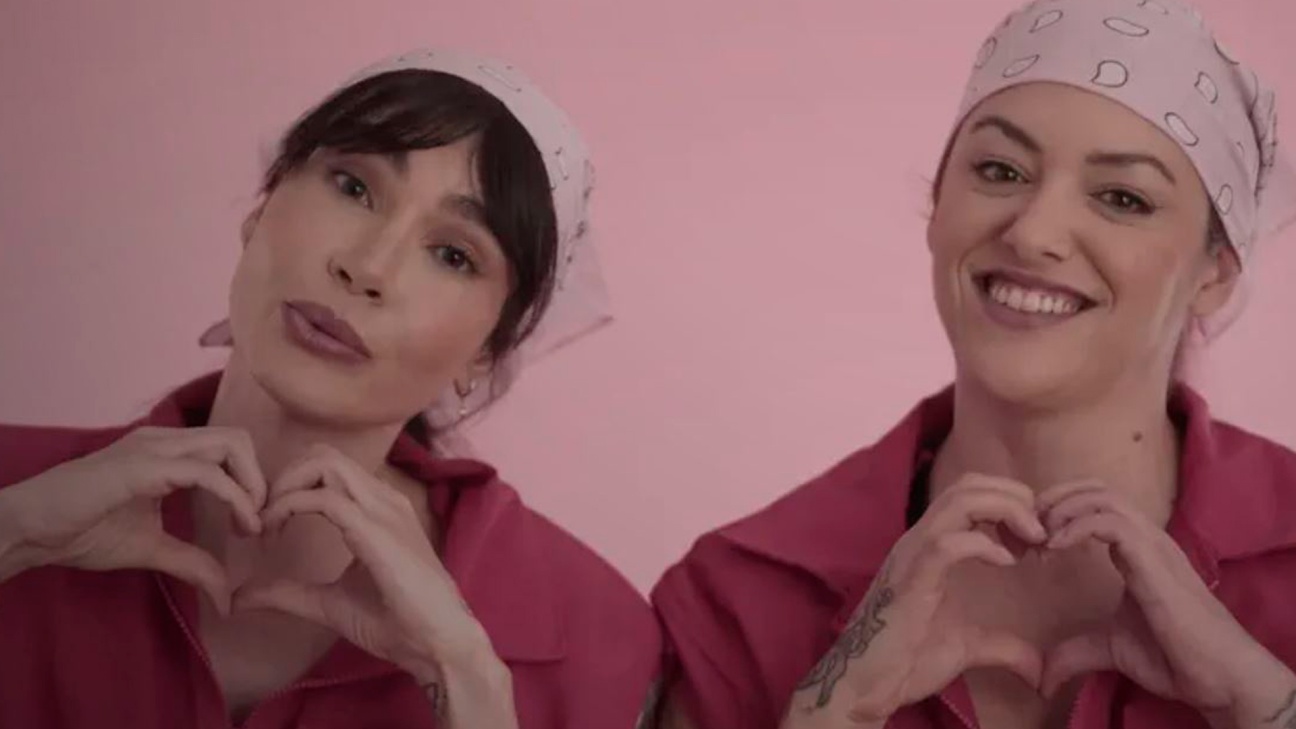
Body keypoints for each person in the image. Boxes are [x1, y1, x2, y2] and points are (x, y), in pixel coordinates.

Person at [651, 1, 1296, 727]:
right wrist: (830, 710)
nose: (1034, 231)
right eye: (1000, 169)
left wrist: (1261, 700)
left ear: (1217, 273)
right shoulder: (737, 598)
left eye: (1122, 197)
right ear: (938, 205)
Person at [0, 50, 659, 729]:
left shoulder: (598, 637)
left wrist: (470, 684)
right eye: (352, 187)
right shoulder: (17, 488)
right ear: (261, 209)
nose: (367, 267)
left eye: (453, 254)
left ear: (489, 350)